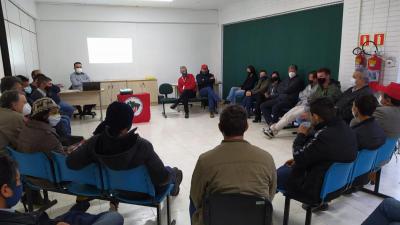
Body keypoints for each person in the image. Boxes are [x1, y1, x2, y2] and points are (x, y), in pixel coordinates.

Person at [66, 102, 183, 210]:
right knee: (171, 173)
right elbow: (161, 179)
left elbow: (71, 163)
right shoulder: (142, 145)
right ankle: (175, 179)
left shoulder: (94, 142)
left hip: (114, 191)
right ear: (128, 124)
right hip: (146, 193)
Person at [189, 105, 276, 225]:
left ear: (220, 127)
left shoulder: (205, 160)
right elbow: (270, 195)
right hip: (255, 219)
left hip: (216, 219)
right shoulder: (266, 158)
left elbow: (196, 197)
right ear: (246, 127)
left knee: (192, 200)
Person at [276, 97, 357, 211]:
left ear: (316, 116)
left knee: (276, 175)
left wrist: (301, 135)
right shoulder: (346, 128)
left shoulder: (324, 135)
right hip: (338, 183)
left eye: (309, 115)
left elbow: (298, 156)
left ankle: (261, 205)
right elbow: (322, 153)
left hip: (315, 187)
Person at [0, 155, 124, 225]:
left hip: (44, 219)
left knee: (73, 215)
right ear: (5, 190)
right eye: (17, 180)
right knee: (114, 217)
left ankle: (80, 206)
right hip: (45, 211)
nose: (20, 184)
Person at [346, 95, 386, 192]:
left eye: (353, 106)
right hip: (366, 172)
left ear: (356, 110)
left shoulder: (355, 133)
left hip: (350, 175)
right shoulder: (379, 129)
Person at [263, 71, 318, 138]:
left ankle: (273, 130)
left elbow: (312, 99)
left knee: (290, 116)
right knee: (287, 114)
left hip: (308, 107)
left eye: (311, 78)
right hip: (301, 104)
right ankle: (272, 129)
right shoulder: (309, 86)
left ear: (315, 79)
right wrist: (307, 97)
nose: (310, 79)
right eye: (309, 77)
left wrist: (306, 98)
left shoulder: (318, 88)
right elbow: (301, 95)